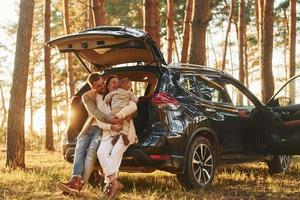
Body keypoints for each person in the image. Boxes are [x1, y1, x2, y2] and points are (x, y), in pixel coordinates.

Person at [57, 73, 122, 195]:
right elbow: (95, 113)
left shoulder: (109, 93)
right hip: (88, 127)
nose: (102, 86)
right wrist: (110, 120)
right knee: (79, 150)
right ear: (92, 87)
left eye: (103, 83)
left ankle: (79, 184)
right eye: (98, 86)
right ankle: (74, 179)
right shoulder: (87, 96)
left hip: (101, 128)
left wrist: (112, 122)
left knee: (91, 151)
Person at [96, 77, 138, 199]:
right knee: (101, 153)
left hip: (125, 132)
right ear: (108, 86)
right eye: (113, 83)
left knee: (114, 154)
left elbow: (133, 107)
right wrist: (111, 126)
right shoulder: (103, 102)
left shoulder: (127, 97)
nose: (116, 85)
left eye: (117, 82)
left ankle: (108, 186)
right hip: (109, 133)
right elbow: (99, 122)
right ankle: (114, 183)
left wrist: (121, 115)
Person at [105, 78, 138, 146]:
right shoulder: (128, 93)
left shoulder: (113, 93)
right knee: (125, 125)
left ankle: (116, 135)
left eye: (117, 82)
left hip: (114, 112)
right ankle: (123, 134)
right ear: (107, 85)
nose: (116, 84)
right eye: (114, 82)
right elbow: (136, 99)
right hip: (122, 115)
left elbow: (106, 99)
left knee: (116, 122)